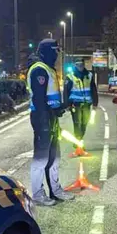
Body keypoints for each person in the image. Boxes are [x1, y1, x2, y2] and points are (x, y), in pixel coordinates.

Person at [27, 39, 74, 206]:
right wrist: (50, 114)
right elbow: (39, 100)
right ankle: (38, 194)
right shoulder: (39, 69)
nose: (56, 54)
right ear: (46, 51)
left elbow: (49, 96)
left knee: (55, 157)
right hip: (42, 119)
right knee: (41, 158)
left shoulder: (48, 69)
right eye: (54, 51)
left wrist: (60, 107)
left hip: (51, 118)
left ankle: (55, 190)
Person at [63, 57, 99, 156]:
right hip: (75, 104)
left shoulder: (89, 75)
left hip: (87, 104)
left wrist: (95, 103)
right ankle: (79, 144)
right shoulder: (70, 76)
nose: (80, 66)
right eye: (78, 65)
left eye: (82, 64)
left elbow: (93, 90)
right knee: (77, 124)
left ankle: (78, 141)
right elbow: (66, 92)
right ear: (75, 65)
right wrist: (67, 105)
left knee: (84, 124)